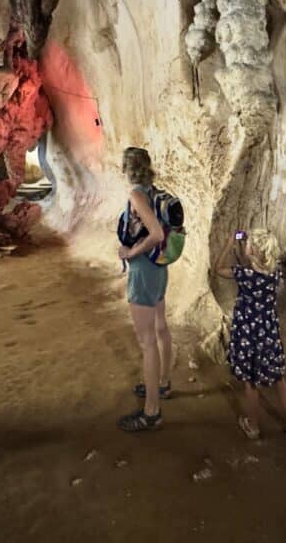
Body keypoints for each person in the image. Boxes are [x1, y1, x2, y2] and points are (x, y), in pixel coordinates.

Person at [217, 228, 286, 444]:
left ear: (253, 252)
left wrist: (230, 242)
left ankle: (253, 427)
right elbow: (260, 267)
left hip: (248, 334)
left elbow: (218, 269)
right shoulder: (275, 275)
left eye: (249, 245)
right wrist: (250, 247)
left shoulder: (244, 275)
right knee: (279, 380)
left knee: (251, 383)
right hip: (268, 334)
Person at [116, 147, 171, 432]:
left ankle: (151, 412)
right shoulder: (153, 191)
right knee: (160, 327)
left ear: (127, 168)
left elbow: (157, 234)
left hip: (144, 271)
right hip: (159, 268)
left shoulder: (137, 195)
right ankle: (163, 383)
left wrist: (130, 252)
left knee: (147, 341)